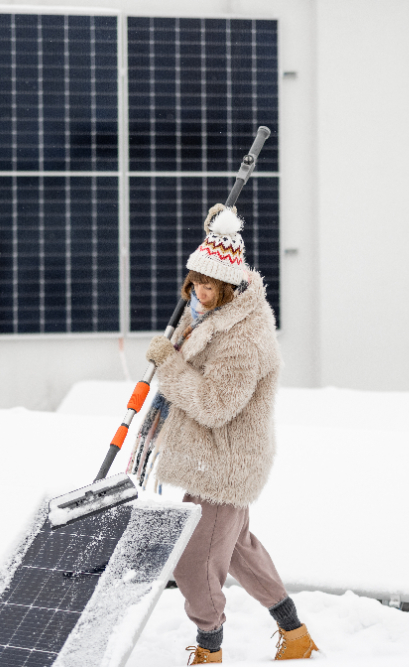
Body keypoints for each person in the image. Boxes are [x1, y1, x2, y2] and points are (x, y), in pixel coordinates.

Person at [144, 203, 318, 663]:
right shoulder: (214, 312)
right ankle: (295, 634)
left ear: (232, 286)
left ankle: (209, 650)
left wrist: (169, 365)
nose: (198, 292)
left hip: (222, 464)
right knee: (239, 548)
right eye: (194, 282)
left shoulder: (244, 338)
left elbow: (214, 405)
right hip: (216, 457)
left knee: (193, 561)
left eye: (208, 285)